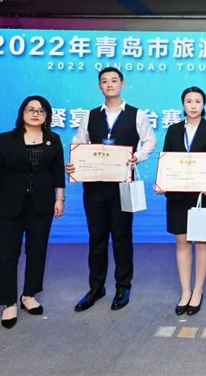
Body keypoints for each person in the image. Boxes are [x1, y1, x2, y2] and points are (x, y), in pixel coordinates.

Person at [67, 67, 157, 312]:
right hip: (94, 187)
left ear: (122, 84)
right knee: (96, 239)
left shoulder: (137, 114)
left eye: (114, 80)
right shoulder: (90, 115)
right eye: (104, 81)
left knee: (122, 238)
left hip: (122, 186)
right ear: (99, 86)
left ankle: (123, 286)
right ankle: (96, 287)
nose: (109, 84)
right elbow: (78, 142)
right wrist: (74, 162)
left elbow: (150, 140)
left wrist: (137, 156)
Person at [0, 95, 66, 329]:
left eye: (41, 110)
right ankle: (8, 302)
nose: (35, 114)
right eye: (30, 109)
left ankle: (29, 294)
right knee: (7, 253)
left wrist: (60, 198)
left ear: (47, 116)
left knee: (37, 250)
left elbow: (57, 172)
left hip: (42, 204)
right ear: (22, 113)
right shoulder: (5, 139)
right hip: (8, 205)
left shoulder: (53, 139)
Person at [157, 87, 206, 316]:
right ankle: (185, 290)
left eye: (197, 101)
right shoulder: (173, 130)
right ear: (182, 104)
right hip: (177, 195)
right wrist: (162, 182)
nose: (193, 105)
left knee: (202, 242)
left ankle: (198, 290)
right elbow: (167, 159)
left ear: (204, 104)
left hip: (202, 194)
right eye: (189, 101)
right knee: (182, 242)